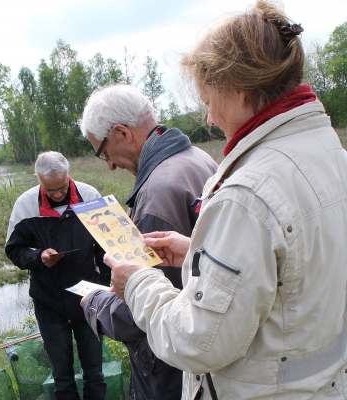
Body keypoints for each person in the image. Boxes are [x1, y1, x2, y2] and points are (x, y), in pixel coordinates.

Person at [106, 2, 347, 399]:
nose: (211, 118)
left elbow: (197, 343)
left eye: (209, 99)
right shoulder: (326, 150)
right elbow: (297, 266)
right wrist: (200, 253)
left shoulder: (248, 193)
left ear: (240, 91)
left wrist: (139, 283)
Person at [78, 84, 217, 399]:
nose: (109, 164)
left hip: (170, 368)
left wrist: (96, 305)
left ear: (122, 133)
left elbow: (142, 311)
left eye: (103, 151)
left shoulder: (156, 195)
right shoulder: (198, 157)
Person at [5, 151, 110, 400]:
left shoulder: (91, 196)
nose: (58, 194)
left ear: (68, 173)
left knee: (95, 371)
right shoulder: (25, 204)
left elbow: (107, 246)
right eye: (50, 190)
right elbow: (14, 250)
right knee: (62, 376)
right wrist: (39, 257)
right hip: (48, 301)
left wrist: (102, 286)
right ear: (37, 178)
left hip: (89, 298)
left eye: (62, 187)